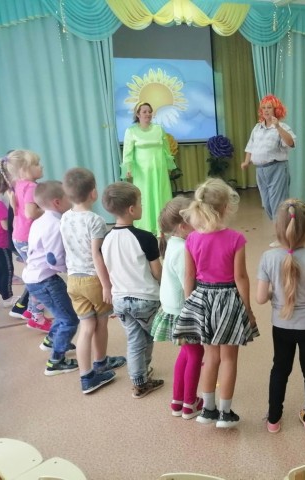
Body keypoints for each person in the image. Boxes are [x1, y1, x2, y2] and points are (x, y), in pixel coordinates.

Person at [172, 178, 259, 428]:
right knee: (229, 358)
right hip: (228, 300)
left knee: (210, 358)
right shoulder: (235, 239)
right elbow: (240, 278)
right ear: (226, 207)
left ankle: (208, 410)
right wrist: (247, 309)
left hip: (203, 299)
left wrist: (190, 305)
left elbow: (189, 276)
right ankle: (225, 413)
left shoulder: (192, 239)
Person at [256, 199, 305, 434]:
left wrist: (273, 292)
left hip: (281, 325)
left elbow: (260, 298)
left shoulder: (268, 257)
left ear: (277, 227)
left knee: (280, 369)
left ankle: (273, 420)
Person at [60, 168, 126, 394]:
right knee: (101, 323)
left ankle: (86, 376)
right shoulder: (95, 220)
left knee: (86, 327)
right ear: (93, 193)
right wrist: (107, 285)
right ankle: (101, 362)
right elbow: (97, 255)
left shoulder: (65, 217)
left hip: (73, 280)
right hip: (92, 280)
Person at [101, 182, 164, 398]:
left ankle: (139, 380)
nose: (142, 206)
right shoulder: (145, 237)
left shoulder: (106, 239)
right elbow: (157, 272)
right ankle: (142, 375)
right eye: (140, 203)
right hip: (145, 298)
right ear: (131, 209)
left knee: (134, 339)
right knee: (148, 337)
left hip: (120, 299)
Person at [150, 196, 205, 419]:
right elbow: (188, 285)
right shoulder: (183, 250)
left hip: (174, 309)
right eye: (196, 218)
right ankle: (189, 403)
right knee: (196, 353)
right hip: (183, 311)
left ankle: (177, 401)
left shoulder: (175, 244)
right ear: (183, 226)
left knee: (186, 353)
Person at [22, 181, 79, 376]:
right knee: (69, 320)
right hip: (45, 280)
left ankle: (51, 340)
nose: (71, 200)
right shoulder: (55, 225)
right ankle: (56, 361)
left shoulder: (41, 220)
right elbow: (54, 259)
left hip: (35, 277)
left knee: (61, 313)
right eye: (68, 197)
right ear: (57, 202)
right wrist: (72, 271)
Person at [4, 150, 51, 330]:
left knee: (34, 275)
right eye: (37, 164)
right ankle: (37, 317)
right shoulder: (31, 187)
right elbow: (31, 213)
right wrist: (50, 209)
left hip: (20, 237)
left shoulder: (18, 184)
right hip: (28, 239)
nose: (41, 166)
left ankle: (30, 311)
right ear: (24, 169)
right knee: (40, 278)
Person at [242, 94, 297, 246]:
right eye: (264, 108)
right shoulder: (257, 128)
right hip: (261, 171)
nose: (266, 110)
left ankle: (282, 236)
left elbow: (291, 143)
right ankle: (290, 221)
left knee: (277, 203)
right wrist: (246, 162)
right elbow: (250, 147)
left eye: (269, 107)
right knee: (267, 204)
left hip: (277, 168)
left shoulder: (283, 127)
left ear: (276, 110)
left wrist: (278, 127)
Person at [122, 101, 176, 235]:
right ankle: (146, 226)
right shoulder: (131, 131)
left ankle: (163, 225)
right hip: (142, 172)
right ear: (138, 114)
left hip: (159, 169)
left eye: (150, 112)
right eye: (144, 112)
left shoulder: (158, 129)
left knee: (161, 194)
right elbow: (127, 152)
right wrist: (128, 168)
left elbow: (166, 149)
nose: (148, 114)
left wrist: (169, 165)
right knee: (145, 196)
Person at [0, 158, 15, 308]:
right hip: (1, 243)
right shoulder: (0, 204)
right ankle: (7, 297)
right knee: (8, 269)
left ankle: (4, 295)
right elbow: (4, 226)